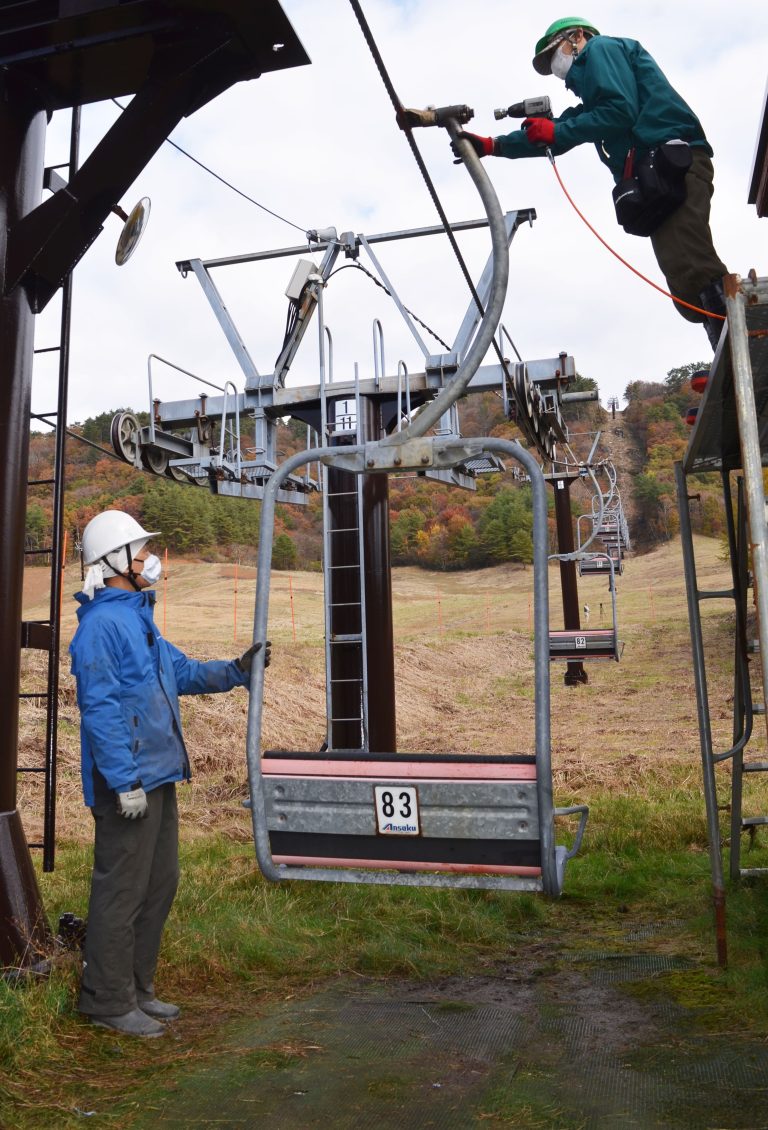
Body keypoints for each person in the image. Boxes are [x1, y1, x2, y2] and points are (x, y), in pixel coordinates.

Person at [69, 510, 270, 1038]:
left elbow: (178, 673)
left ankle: (137, 990)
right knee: (122, 890)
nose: (148, 560)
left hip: (157, 775)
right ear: (111, 561)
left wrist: (234, 671)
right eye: (137, 552)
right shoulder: (101, 628)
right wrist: (122, 780)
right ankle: (107, 1001)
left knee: (159, 884)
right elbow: (101, 711)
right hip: (128, 785)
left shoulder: (138, 618)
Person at [453, 17, 728, 348]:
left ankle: (739, 338)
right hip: (657, 174)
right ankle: (727, 343)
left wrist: (556, 130)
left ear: (577, 37)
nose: (558, 67)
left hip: (674, 163)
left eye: (556, 53)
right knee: (683, 273)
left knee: (692, 265)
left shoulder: (601, 49)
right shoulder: (594, 99)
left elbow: (618, 112)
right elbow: (573, 126)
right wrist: (495, 145)